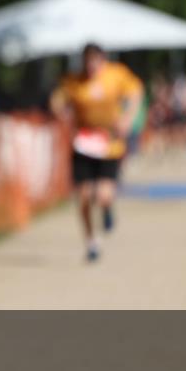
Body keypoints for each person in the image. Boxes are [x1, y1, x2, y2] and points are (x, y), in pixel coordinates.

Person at [50, 43, 143, 262]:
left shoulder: (116, 75)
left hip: (109, 143)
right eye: (87, 61)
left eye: (95, 61)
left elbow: (136, 91)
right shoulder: (74, 81)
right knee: (83, 197)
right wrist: (60, 111)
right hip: (83, 143)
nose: (91, 66)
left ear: (102, 60)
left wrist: (128, 117)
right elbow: (58, 99)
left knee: (103, 194)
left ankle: (107, 208)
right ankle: (91, 242)